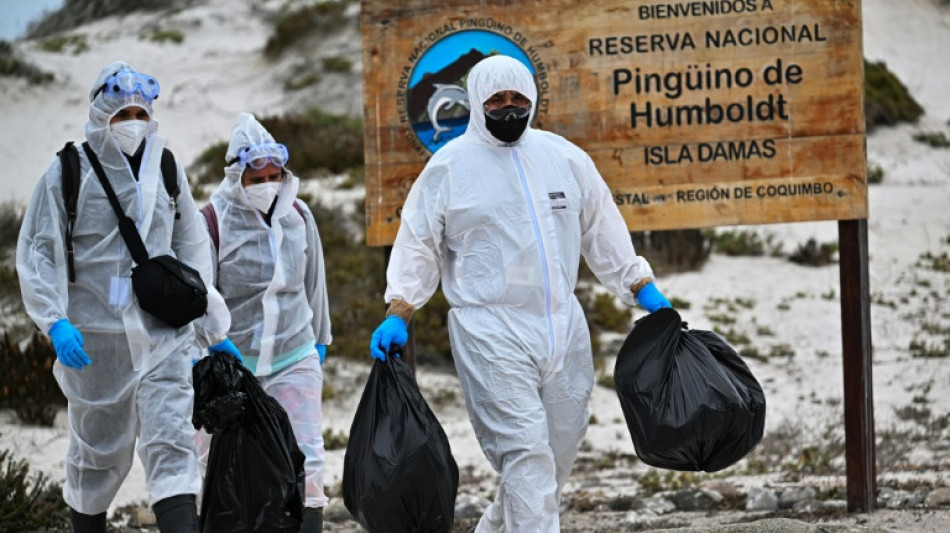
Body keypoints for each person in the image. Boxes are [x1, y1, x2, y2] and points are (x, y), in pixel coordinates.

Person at [369, 55, 672, 533]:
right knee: (526, 453)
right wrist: (400, 308)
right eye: (496, 99)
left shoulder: (563, 158)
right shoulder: (449, 167)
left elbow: (601, 227)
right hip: (489, 328)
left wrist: (639, 285)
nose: (508, 108)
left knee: (559, 447)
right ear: (476, 103)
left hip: (562, 324)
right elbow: (418, 243)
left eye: (517, 98)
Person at [16, 61, 239, 533]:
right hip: (98, 343)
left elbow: (192, 247)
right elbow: (37, 250)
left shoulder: (166, 165)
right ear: (101, 114)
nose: (132, 122)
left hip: (164, 336)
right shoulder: (67, 171)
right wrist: (54, 321)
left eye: (141, 113)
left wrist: (212, 327)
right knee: (96, 457)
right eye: (122, 114)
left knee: (172, 444)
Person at [196, 112, 332, 532]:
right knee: (219, 465)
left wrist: (320, 339)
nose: (267, 185)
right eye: (257, 179)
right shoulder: (212, 222)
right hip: (233, 366)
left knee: (307, 456)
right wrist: (211, 349)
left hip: (294, 354)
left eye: (275, 176)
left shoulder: (299, 216)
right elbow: (201, 294)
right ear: (237, 178)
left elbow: (314, 283)